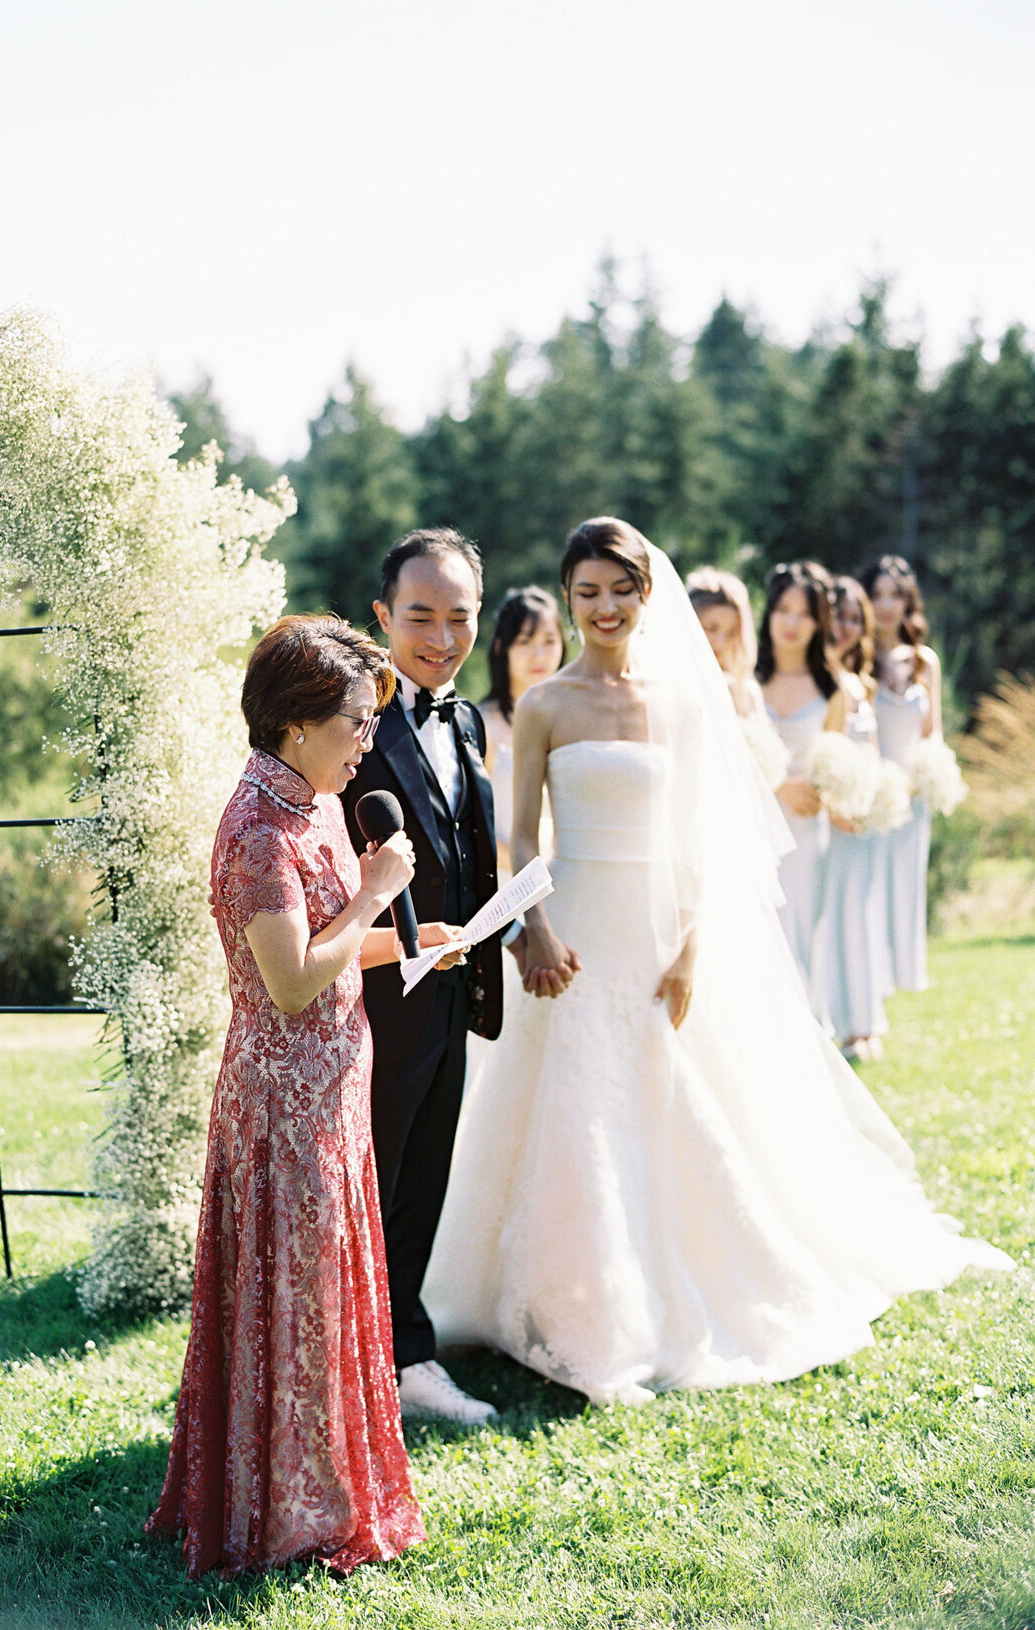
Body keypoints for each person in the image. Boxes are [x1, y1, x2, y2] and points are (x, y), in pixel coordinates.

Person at [424, 517, 1009, 1406]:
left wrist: (693, 946)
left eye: (621, 590)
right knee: (564, 1101)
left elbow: (701, 838)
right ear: (570, 597)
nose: (605, 608)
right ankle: (567, 1299)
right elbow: (521, 833)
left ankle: (671, 1287)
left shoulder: (682, 704)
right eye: (587, 593)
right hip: (572, 929)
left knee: (672, 1103)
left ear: (646, 595)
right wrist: (530, 928)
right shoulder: (545, 705)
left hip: (659, 934)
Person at [147, 614, 450, 1576]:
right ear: (294, 724)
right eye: (355, 723)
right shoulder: (255, 830)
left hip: (333, 1089)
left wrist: (412, 936)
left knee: (327, 1298)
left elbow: (331, 955)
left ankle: (327, 1487)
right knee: (294, 1302)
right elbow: (287, 983)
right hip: (282, 1107)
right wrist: (374, 894)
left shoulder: (315, 803)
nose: (368, 742)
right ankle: (284, 1508)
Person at [338, 530, 575, 1427]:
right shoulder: (348, 719)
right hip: (369, 1001)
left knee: (422, 1184)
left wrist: (517, 928)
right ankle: (355, 1366)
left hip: (452, 996)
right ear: (381, 617)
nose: (441, 637)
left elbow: (472, 853)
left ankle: (406, 1360)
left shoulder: (468, 717)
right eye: (420, 617)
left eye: (460, 617)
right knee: (368, 1187)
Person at [757, 562, 847, 1000]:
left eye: (804, 614)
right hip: (754, 828)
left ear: (819, 623)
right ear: (768, 613)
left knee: (804, 934)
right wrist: (776, 788)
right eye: (783, 610)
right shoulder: (746, 682)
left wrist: (836, 800)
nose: (792, 623)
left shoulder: (831, 690)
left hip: (807, 834)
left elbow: (837, 765)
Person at [860, 556, 941, 993]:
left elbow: (934, 733)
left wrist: (925, 778)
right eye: (877, 594)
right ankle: (867, 980)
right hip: (870, 795)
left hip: (913, 797)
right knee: (868, 889)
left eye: (896, 595)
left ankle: (903, 975)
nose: (886, 605)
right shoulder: (857, 657)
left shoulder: (924, 662)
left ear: (909, 602)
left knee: (905, 888)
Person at [821, 577, 892, 1060]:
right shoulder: (820, 682)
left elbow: (871, 748)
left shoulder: (861, 682)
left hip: (863, 819)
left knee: (860, 919)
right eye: (836, 617)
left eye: (853, 618)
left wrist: (878, 795)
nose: (844, 627)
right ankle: (838, 1025)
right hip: (829, 820)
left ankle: (862, 1023)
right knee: (832, 919)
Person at [478, 585, 565, 876]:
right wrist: (531, 871)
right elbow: (473, 826)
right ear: (502, 647)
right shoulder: (482, 725)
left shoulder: (572, 720)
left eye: (550, 641)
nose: (539, 655)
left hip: (569, 879)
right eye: (526, 641)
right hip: (506, 885)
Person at [685, 566, 764, 717]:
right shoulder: (666, 686)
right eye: (711, 628)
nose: (720, 642)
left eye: (731, 632)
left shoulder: (745, 693)